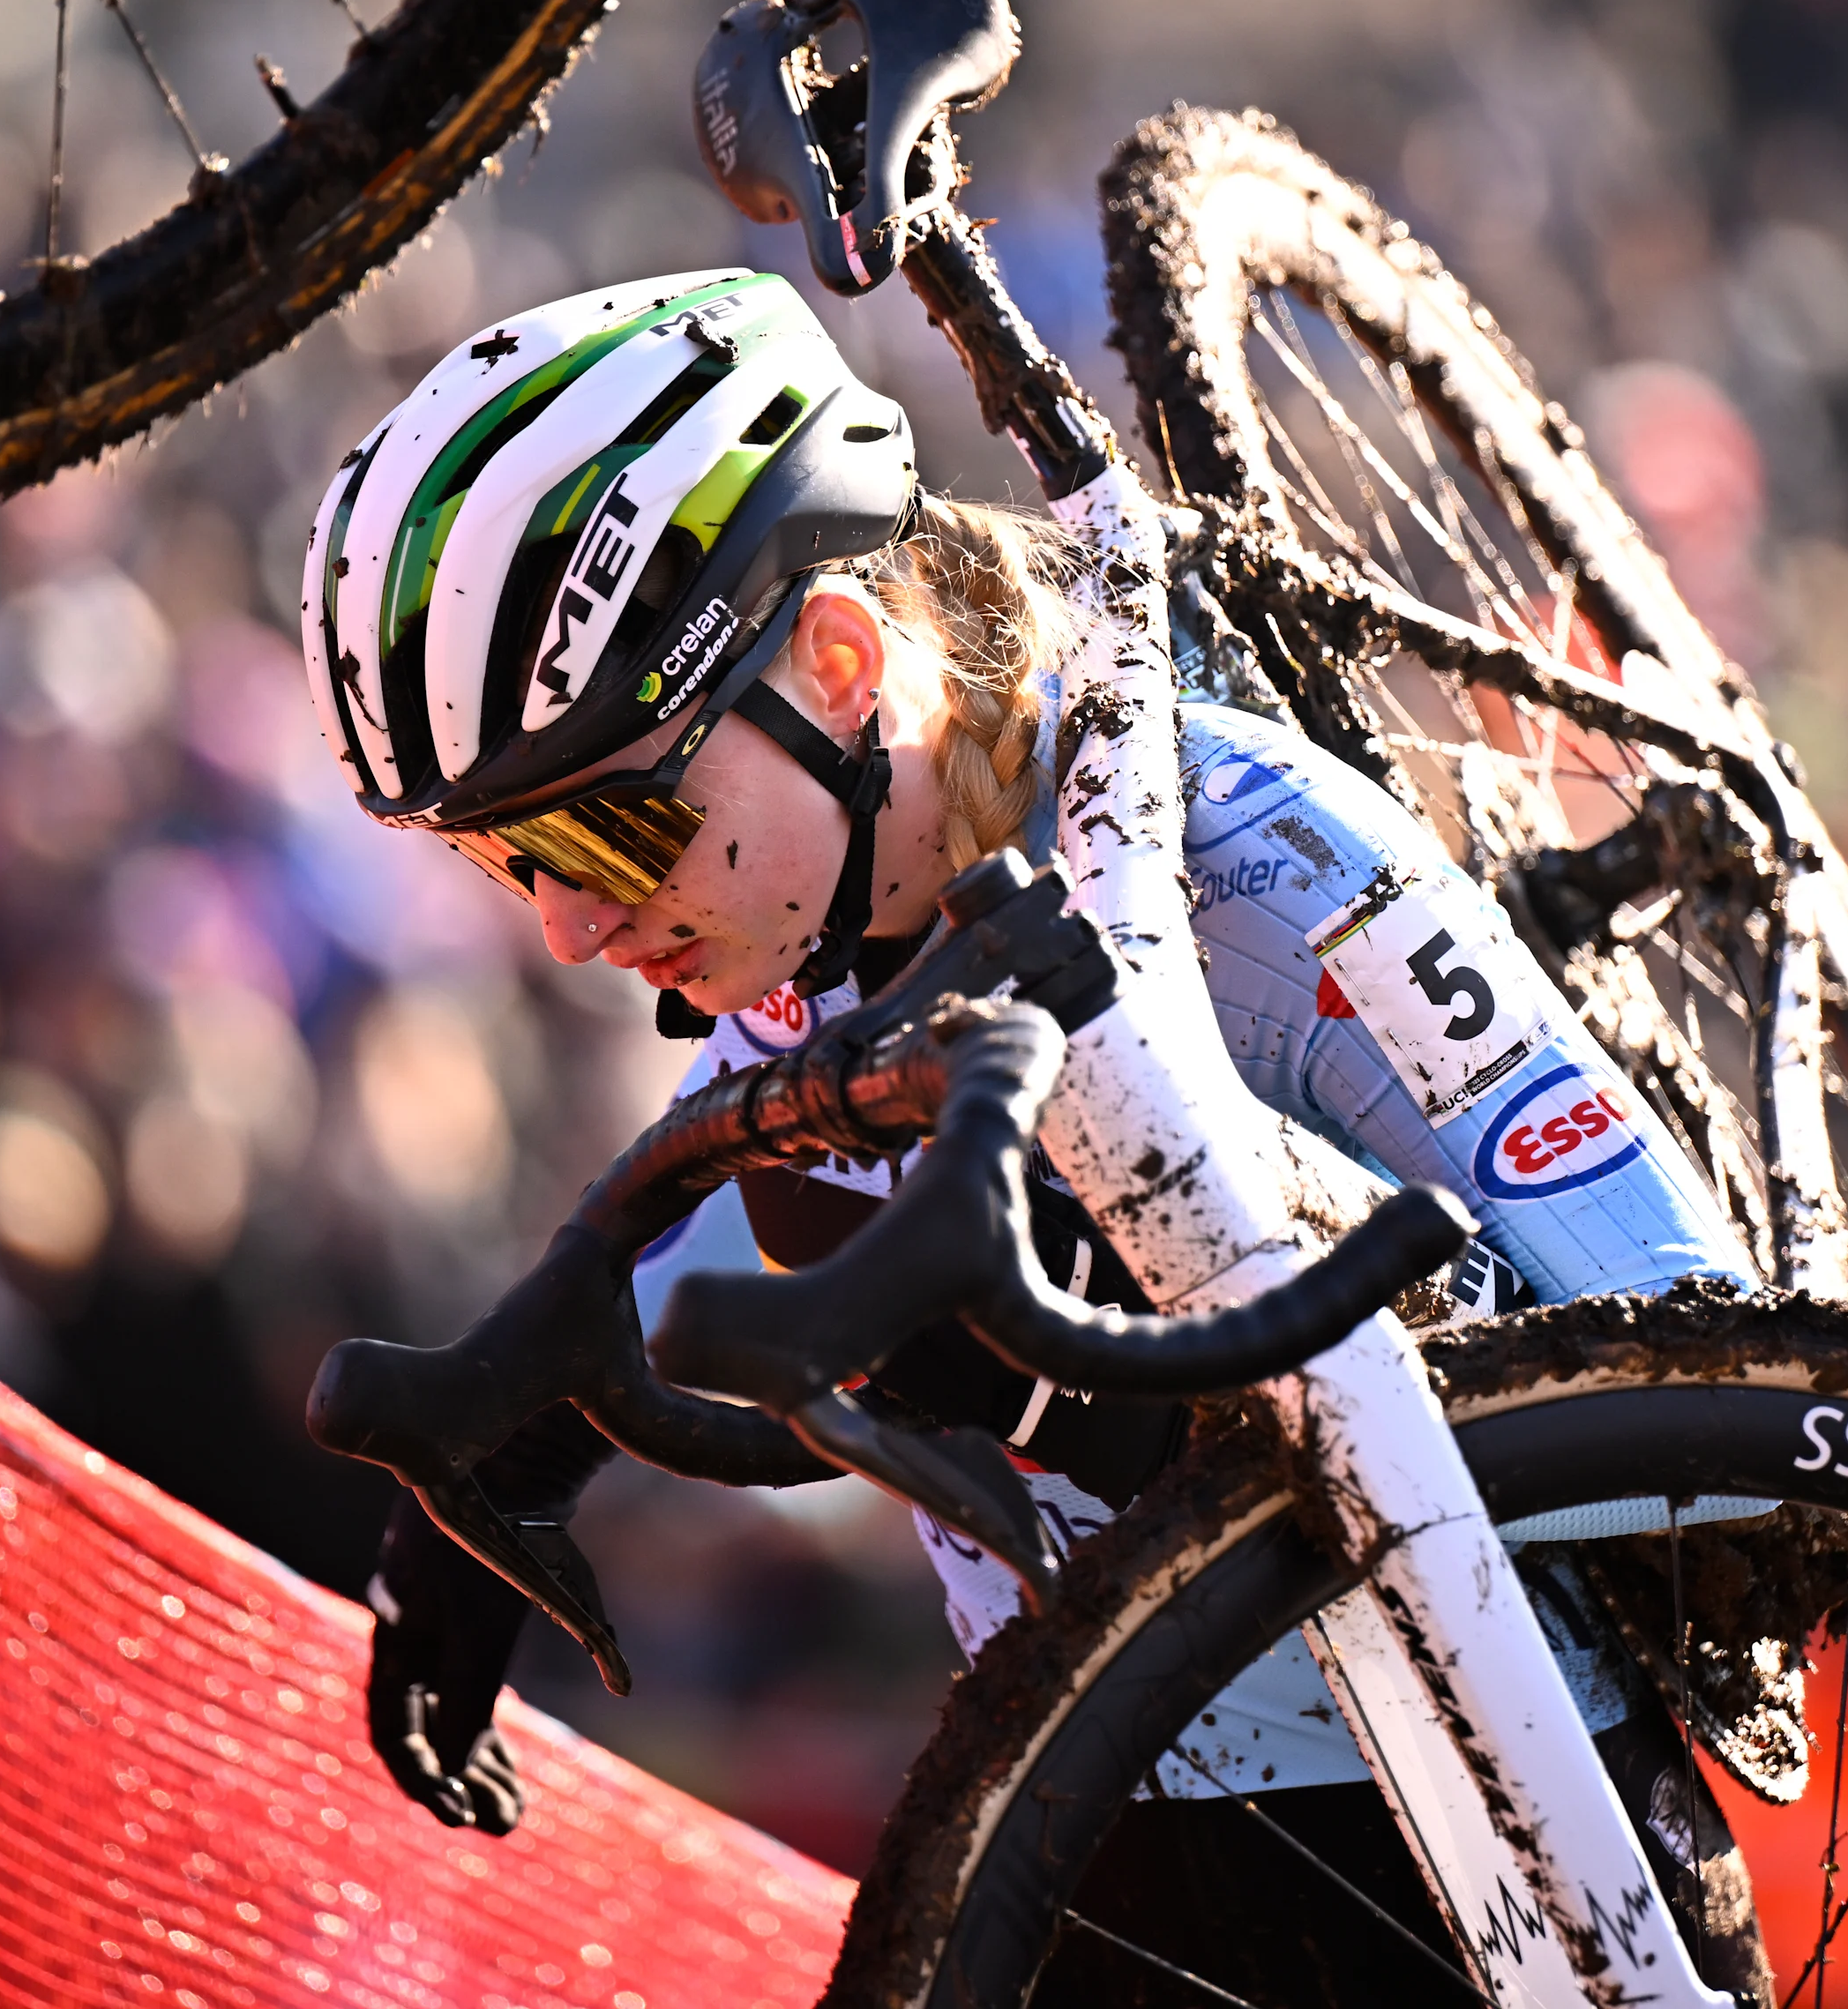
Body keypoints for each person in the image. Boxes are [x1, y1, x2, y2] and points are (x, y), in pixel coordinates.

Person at [304, 269, 1772, 1998]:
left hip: (1505, 1821)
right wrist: (526, 1452)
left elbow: (1722, 1419)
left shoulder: (1256, 860)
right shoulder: (786, 925)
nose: (564, 926)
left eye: (614, 835)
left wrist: (1118, 1379)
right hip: (1106, 1812)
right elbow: (721, 1232)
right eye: (506, 857)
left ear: (839, 663)